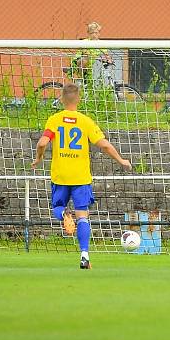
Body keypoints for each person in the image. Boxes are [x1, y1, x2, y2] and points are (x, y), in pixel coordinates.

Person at [31, 84, 132, 269]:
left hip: (60, 176)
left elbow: (42, 142)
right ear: (79, 99)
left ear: (61, 99)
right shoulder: (85, 121)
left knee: (58, 207)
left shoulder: (54, 119)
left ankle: (63, 214)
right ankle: (84, 255)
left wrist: (38, 158)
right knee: (83, 216)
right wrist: (121, 160)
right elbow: (104, 146)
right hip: (80, 177)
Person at [69, 22, 112, 86]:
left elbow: (106, 54)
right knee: (85, 59)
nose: (94, 35)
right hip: (82, 62)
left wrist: (109, 59)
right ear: (88, 34)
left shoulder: (101, 44)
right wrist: (89, 54)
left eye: (96, 33)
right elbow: (85, 51)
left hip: (95, 63)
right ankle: (82, 78)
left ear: (99, 33)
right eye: (92, 33)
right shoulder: (85, 42)